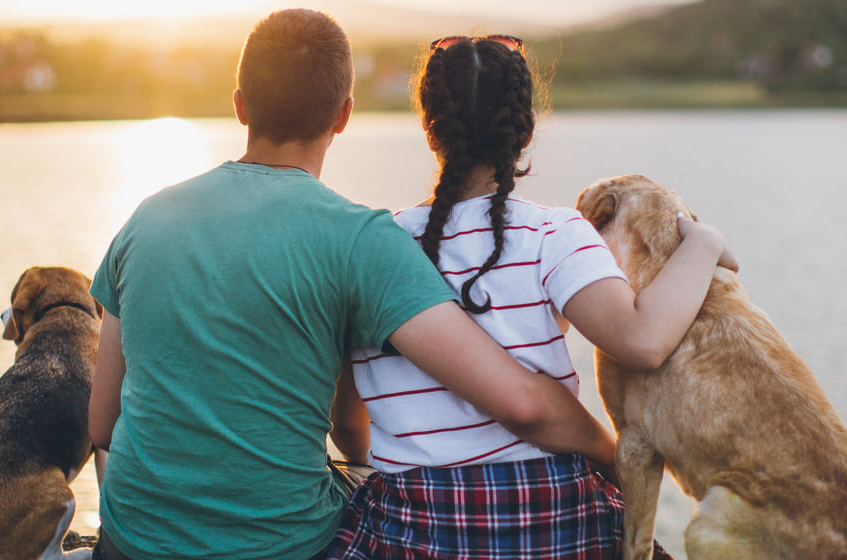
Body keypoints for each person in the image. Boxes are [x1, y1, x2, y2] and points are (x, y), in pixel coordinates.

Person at [86, 11, 617, 560]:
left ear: (240, 105)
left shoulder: (147, 219)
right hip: (284, 547)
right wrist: (616, 457)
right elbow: (524, 405)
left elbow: (101, 424)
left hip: (131, 542)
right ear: (343, 116)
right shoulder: (359, 239)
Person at [323, 35, 735, 560]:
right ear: (526, 130)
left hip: (415, 517)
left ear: (431, 130)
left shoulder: (376, 246)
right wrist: (703, 244)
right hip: (555, 510)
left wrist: (370, 462)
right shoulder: (553, 234)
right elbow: (644, 341)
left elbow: (349, 425)